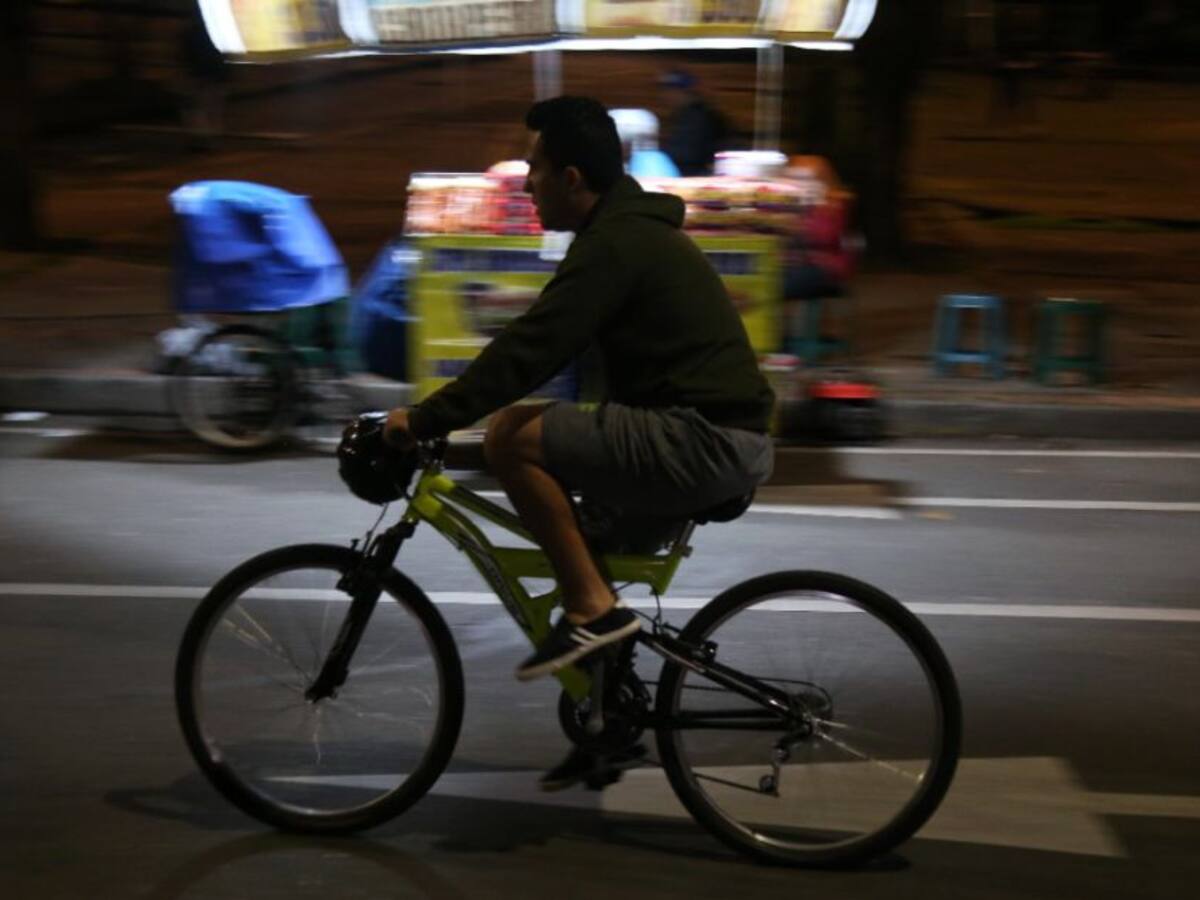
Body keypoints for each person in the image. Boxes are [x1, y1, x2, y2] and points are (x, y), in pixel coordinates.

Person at [383, 96, 774, 787]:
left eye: (534, 168)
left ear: (569, 178)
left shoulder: (615, 243)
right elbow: (563, 372)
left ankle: (593, 612)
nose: (525, 181)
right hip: (705, 436)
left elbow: (530, 351)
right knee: (581, 543)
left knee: (512, 437)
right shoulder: (621, 233)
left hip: (705, 440)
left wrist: (426, 420)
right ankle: (608, 725)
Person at [658, 70, 727, 176]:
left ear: (681, 91)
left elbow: (687, 154)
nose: (664, 96)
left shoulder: (697, 117)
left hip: (694, 175)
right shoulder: (686, 114)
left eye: (668, 91)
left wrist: (658, 154)